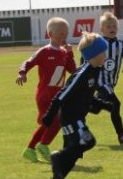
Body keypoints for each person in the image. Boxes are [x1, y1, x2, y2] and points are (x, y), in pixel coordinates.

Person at [41, 31, 113, 179]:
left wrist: (103, 105)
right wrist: (49, 116)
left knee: (74, 152)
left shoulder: (94, 70)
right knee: (87, 142)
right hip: (71, 118)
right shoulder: (82, 74)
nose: (105, 55)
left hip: (76, 117)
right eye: (103, 52)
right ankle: (57, 157)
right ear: (94, 54)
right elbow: (62, 95)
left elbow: (85, 97)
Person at [16, 17, 77, 163]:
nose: (64, 36)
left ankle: (30, 149)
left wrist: (70, 53)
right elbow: (28, 62)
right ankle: (43, 145)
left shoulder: (64, 52)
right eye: (60, 33)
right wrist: (22, 72)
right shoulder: (44, 51)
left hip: (57, 95)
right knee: (55, 121)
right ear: (50, 34)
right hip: (44, 95)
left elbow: (72, 70)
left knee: (47, 123)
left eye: (66, 33)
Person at [90, 11, 123, 144]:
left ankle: (80, 105)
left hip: (111, 82)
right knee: (116, 104)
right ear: (102, 29)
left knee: (96, 108)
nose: (112, 28)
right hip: (100, 80)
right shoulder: (98, 43)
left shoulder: (121, 44)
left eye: (114, 26)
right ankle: (121, 134)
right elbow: (87, 57)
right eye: (108, 26)